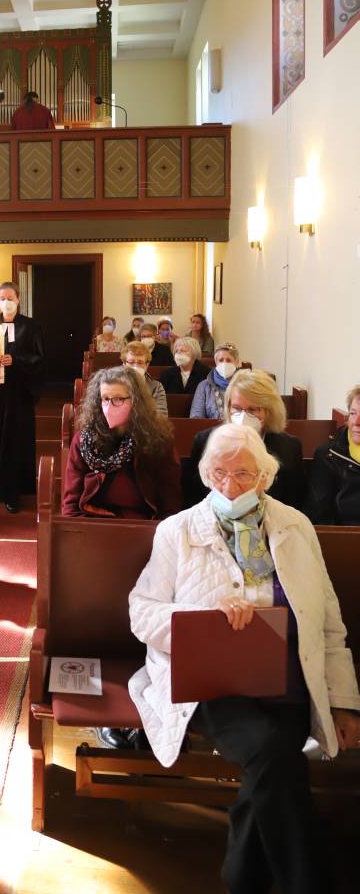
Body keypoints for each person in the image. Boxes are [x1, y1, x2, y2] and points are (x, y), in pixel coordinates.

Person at [129, 423, 360, 894]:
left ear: (264, 478)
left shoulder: (296, 527)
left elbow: (329, 622)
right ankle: (310, 884)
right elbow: (142, 612)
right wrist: (203, 615)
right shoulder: (177, 531)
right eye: (217, 473)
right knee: (273, 753)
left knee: (273, 766)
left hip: (288, 678)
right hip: (213, 683)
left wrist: (342, 700)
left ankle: (243, 880)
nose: (228, 486)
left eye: (242, 475)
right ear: (203, 473)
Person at [62, 366, 180, 518]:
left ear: (136, 401)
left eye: (118, 399)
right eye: (105, 399)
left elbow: (170, 497)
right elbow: (71, 499)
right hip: (95, 519)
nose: (109, 406)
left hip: (142, 522)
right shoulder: (84, 440)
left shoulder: (158, 439)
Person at [185, 369, 305, 510]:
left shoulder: (289, 447)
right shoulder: (205, 442)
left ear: (268, 411)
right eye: (236, 408)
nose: (243, 416)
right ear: (228, 407)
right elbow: (193, 499)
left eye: (252, 410)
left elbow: (294, 503)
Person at [0, 281, 43, 513]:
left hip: (18, 393)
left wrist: (17, 361)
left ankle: (13, 490)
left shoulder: (31, 327)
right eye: (2, 298)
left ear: (18, 300)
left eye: (10, 298)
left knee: (15, 440)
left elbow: (39, 358)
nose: (6, 302)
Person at [306, 385, 360, 525]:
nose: (356, 422)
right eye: (353, 414)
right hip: (344, 538)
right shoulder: (327, 455)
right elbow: (319, 515)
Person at [191, 342, 241, 419]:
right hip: (211, 430)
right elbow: (196, 417)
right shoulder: (204, 386)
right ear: (215, 362)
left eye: (228, 360)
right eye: (221, 360)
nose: (224, 363)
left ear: (236, 362)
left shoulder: (245, 385)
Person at [122, 340, 168, 417]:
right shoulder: (113, 383)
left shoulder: (156, 387)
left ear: (147, 364)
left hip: (147, 428)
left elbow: (161, 416)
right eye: (131, 362)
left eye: (140, 362)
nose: (135, 366)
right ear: (124, 364)